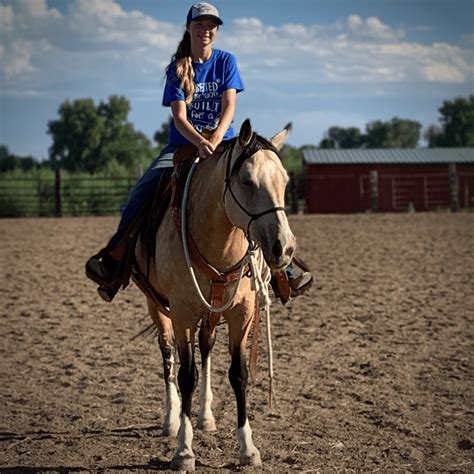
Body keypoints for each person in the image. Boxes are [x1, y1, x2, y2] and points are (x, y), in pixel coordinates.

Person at [86, 2, 312, 302]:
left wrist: (217, 137)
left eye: (211, 25)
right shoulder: (178, 68)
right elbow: (179, 118)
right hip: (183, 144)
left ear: (217, 30)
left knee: (257, 190)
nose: (206, 29)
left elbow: (230, 106)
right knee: (142, 191)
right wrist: (199, 142)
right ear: (189, 27)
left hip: (226, 145)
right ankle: (114, 260)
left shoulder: (226, 61)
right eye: (200, 24)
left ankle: (284, 269)